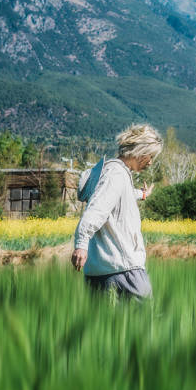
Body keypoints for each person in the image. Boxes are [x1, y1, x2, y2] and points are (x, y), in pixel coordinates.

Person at [71, 123, 163, 300]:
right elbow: (96, 210)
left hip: (103, 270)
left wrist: (142, 194)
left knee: (106, 327)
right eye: (150, 156)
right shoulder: (116, 174)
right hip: (123, 271)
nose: (150, 162)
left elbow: (117, 197)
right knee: (144, 324)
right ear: (139, 151)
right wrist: (81, 244)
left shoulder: (114, 174)